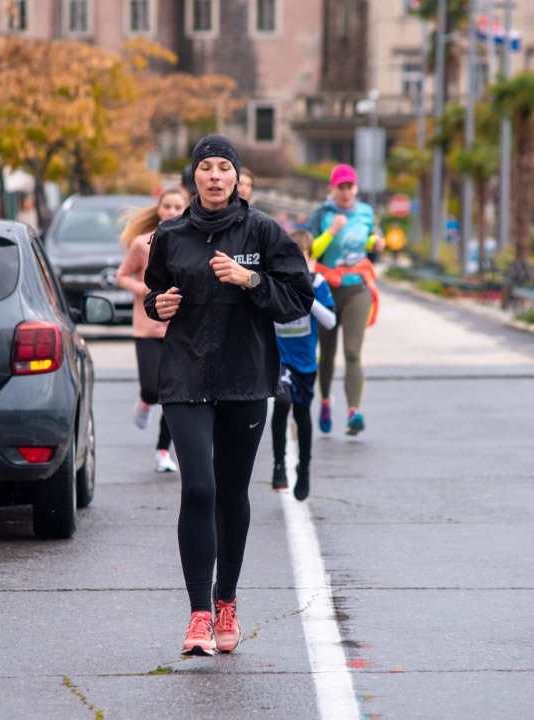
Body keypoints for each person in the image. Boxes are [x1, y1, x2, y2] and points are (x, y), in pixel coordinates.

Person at [144, 134, 313, 657]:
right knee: (198, 488)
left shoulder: (262, 230)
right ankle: (197, 614)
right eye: (206, 167)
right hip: (186, 375)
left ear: (237, 177)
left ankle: (226, 601)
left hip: (244, 376)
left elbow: (297, 299)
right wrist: (159, 306)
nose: (215, 176)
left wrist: (250, 278)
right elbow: (154, 293)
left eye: (224, 168)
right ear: (192, 176)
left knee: (232, 493)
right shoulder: (170, 234)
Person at [116, 186, 190, 473]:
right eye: (167, 206)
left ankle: (162, 450)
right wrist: (145, 290)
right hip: (147, 328)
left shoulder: (189, 242)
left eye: (177, 207)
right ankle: (145, 400)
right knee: (152, 388)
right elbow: (122, 276)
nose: (171, 211)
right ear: (159, 209)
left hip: (180, 330)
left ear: (186, 209)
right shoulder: (141, 244)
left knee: (173, 393)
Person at [308, 164, 382, 437]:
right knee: (327, 355)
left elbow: (367, 241)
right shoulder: (322, 214)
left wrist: (376, 242)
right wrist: (332, 231)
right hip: (326, 290)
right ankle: (326, 402)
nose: (346, 191)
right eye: (341, 186)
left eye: (350, 186)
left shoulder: (365, 212)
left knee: (352, 352)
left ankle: (354, 412)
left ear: (356, 188)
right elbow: (309, 250)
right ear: (333, 189)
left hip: (356, 289)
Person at [271, 229, 336, 501]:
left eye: (303, 256)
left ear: (311, 258)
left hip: (306, 364)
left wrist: (306, 298)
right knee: (282, 401)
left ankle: (304, 468)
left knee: (301, 414)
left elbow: (331, 322)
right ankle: (278, 466)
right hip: (279, 359)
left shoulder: (317, 282)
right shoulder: (275, 280)